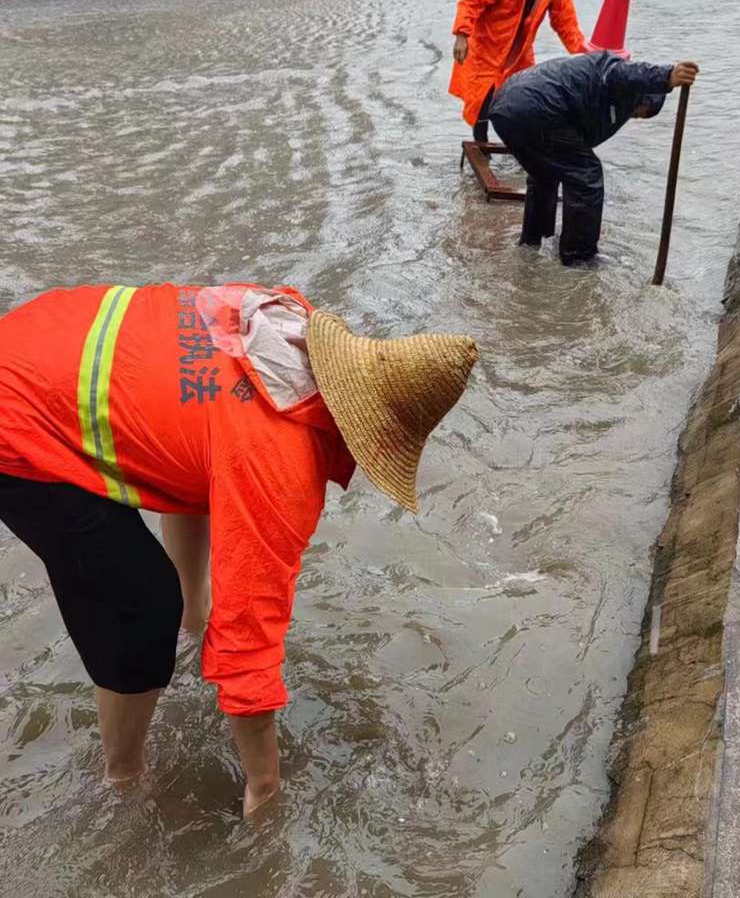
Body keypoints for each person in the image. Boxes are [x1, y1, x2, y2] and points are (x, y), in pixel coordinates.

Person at [0, 283, 477, 816]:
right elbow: (248, 635)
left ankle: (187, 624)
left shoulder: (281, 318)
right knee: (137, 606)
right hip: (18, 419)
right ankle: (123, 778)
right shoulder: (277, 462)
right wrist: (264, 783)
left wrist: (199, 622)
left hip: (42, 334)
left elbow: (194, 467)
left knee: (180, 538)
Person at [489, 51, 700, 265]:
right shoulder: (615, 74)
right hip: (536, 107)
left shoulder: (596, 92)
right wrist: (667, 76)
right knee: (586, 175)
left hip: (505, 107)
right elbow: (626, 72)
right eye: (640, 113)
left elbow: (579, 138)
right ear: (642, 99)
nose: (634, 116)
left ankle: (534, 241)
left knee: (545, 174)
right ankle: (578, 258)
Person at [449, 0, 587, 143]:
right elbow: (473, 0)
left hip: (520, 50)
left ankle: (522, 145)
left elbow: (565, 20)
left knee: (525, 97)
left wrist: (584, 54)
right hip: (488, 45)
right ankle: (481, 144)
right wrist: (462, 34)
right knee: (483, 99)